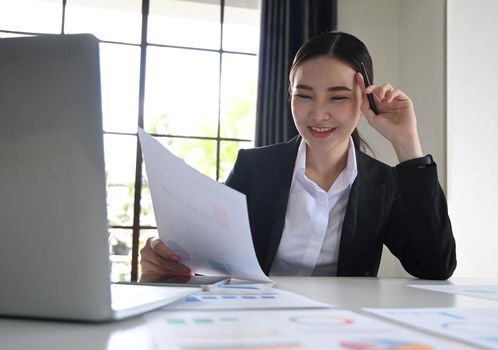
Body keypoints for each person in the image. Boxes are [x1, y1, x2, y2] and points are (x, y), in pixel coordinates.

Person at [140, 31, 456, 280]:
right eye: (304, 95)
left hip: (340, 329)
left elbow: (435, 266)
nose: (318, 114)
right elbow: (211, 258)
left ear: (364, 102)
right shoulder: (254, 168)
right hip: (259, 324)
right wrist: (167, 259)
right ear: (290, 93)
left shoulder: (384, 183)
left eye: (338, 97)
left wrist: (406, 142)